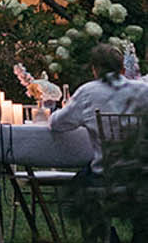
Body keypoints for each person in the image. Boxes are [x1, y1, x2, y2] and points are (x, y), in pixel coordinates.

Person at [50, 39, 148, 171]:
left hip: (106, 174)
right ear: (123, 69)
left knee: (73, 184)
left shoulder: (87, 92)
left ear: (94, 70)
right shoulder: (144, 89)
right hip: (142, 174)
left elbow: (57, 123)